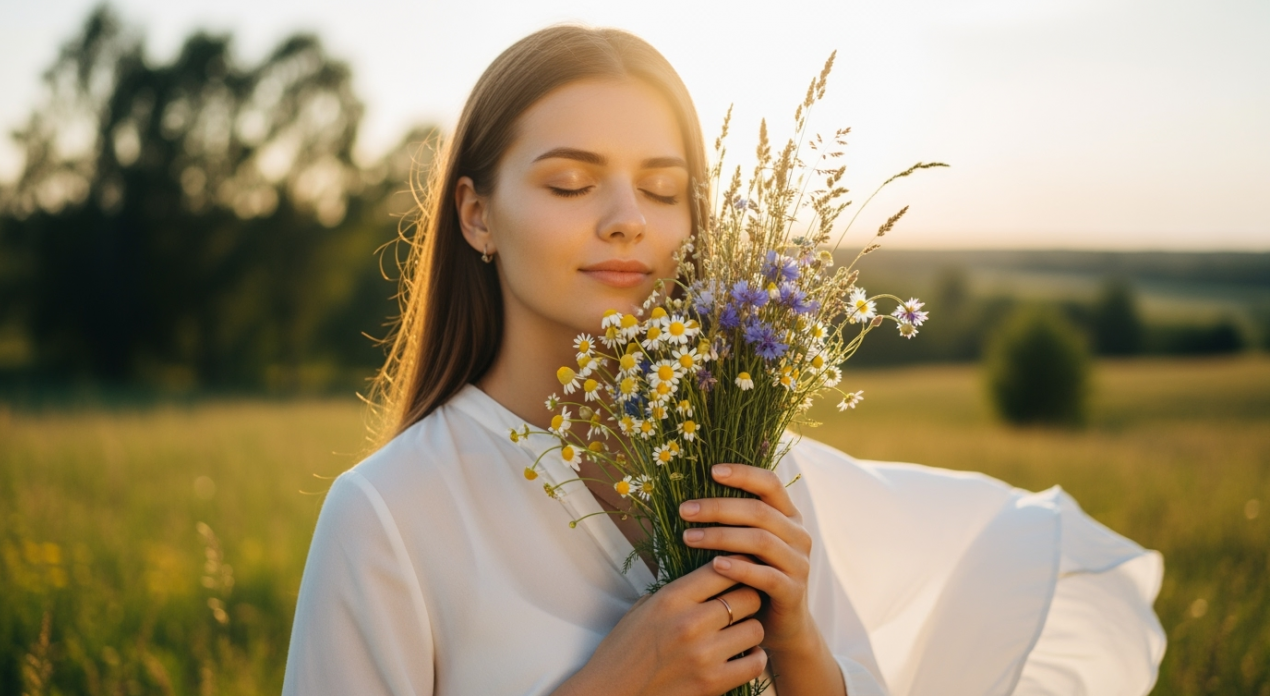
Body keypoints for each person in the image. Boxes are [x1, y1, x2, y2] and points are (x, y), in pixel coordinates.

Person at [281, 25, 1165, 696]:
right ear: (476, 215)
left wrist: (805, 654)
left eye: (664, 190)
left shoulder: (751, 466)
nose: (629, 217)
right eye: (570, 183)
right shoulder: (387, 517)